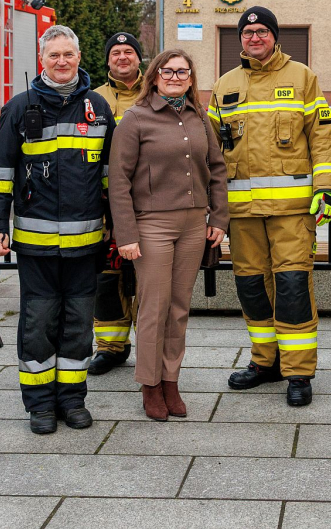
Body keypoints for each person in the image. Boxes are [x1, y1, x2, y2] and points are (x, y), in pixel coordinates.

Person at [0, 25, 115, 435]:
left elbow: (112, 176)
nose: (62, 61)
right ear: (41, 59)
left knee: (78, 324)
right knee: (38, 323)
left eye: (68, 54)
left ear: (79, 58)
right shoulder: (19, 107)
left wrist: (117, 227)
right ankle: (40, 404)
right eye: (54, 55)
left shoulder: (98, 108)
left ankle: (72, 400)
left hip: (86, 245)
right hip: (36, 246)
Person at [208, 7, 331, 407]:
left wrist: (327, 188)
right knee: (251, 289)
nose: (255, 37)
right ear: (240, 39)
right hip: (242, 213)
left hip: (292, 211)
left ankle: (298, 372)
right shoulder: (224, 85)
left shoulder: (302, 77)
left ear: (275, 36)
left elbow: (321, 138)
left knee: (293, 287)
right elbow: (210, 150)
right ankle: (265, 362)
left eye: (262, 31)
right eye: (247, 32)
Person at [108, 49, 228, 420]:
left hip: (193, 225)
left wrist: (219, 218)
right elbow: (119, 180)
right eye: (168, 71)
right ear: (155, 76)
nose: (175, 77)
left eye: (182, 72)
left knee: (178, 308)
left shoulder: (199, 116)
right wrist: (126, 234)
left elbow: (217, 168)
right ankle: (150, 384)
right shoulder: (135, 118)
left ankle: (170, 380)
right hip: (152, 225)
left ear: (191, 78)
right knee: (154, 308)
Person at [90, 31, 146, 376]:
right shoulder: (92, 98)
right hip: (101, 204)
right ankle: (110, 347)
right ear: (108, 59)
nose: (122, 57)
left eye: (128, 51)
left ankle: (150, 347)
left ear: (139, 58)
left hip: (146, 203)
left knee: (147, 277)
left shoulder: (155, 93)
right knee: (106, 278)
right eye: (115, 52)